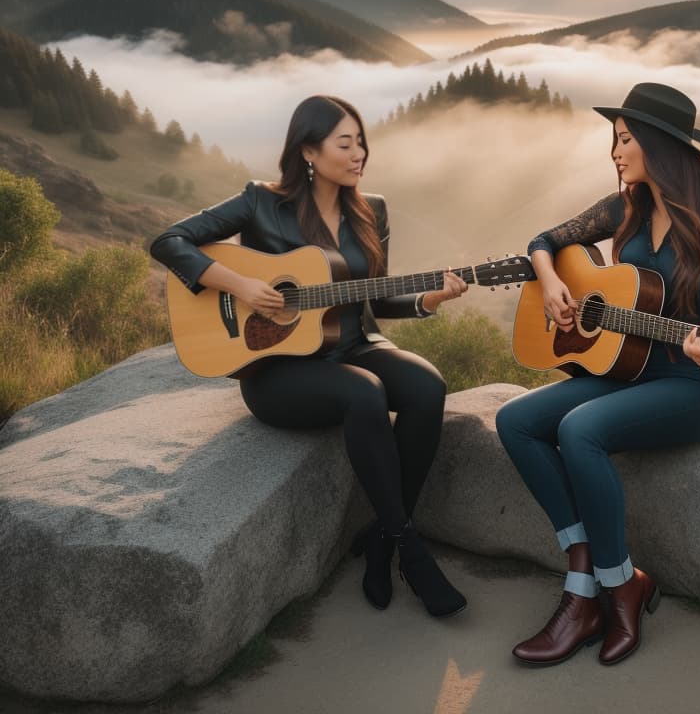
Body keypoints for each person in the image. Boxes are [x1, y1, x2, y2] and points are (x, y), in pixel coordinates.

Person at [150, 95, 469, 618]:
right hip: (277, 369)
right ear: (308, 152)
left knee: (427, 386)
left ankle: (386, 538)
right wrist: (245, 288)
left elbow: (376, 297)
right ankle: (411, 550)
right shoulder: (259, 202)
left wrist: (430, 298)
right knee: (363, 393)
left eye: (361, 140)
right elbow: (170, 240)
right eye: (346, 142)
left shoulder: (373, 209)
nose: (359, 152)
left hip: (353, 345)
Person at [496, 83, 700, 665]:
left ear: (660, 145)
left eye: (624, 139)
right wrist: (555, 285)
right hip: (628, 368)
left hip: (693, 385)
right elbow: (544, 242)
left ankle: (611, 589)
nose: (615, 152)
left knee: (579, 431)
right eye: (614, 140)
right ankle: (590, 566)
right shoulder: (626, 207)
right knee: (514, 420)